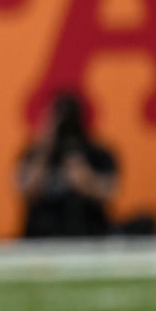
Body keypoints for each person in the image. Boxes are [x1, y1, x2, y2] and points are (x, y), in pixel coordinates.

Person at [16, 89, 118, 238]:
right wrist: (44, 149)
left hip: (87, 232)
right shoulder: (33, 154)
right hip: (42, 234)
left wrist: (84, 175)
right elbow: (26, 190)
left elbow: (108, 192)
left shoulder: (97, 154)